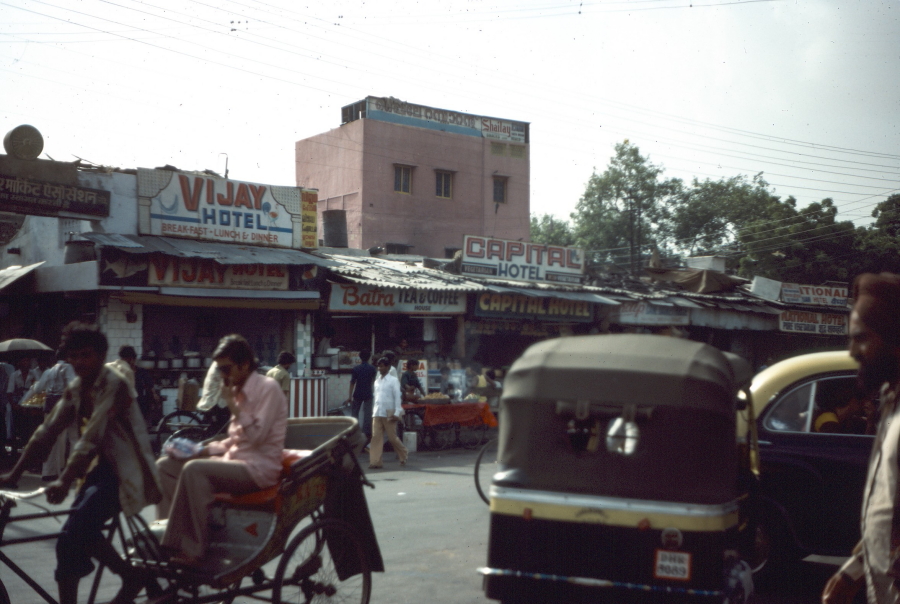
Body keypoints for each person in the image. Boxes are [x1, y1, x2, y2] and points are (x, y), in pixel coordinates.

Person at [0, 322, 162, 604]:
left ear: (100, 355)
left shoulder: (115, 383)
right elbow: (47, 431)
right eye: (73, 356)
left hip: (125, 472)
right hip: (98, 472)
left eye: (85, 355)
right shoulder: (76, 388)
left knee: (75, 532)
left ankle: (131, 576)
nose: (78, 362)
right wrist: (14, 473)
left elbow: (93, 436)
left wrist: (64, 479)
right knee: (67, 543)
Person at [156, 334, 287, 566]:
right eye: (220, 371)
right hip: (234, 461)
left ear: (244, 364)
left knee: (195, 471)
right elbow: (232, 441)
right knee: (165, 466)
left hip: (257, 469)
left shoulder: (268, 388)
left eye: (226, 369)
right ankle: (168, 539)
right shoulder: (238, 390)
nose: (223, 376)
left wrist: (234, 408)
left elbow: (257, 438)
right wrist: (199, 450)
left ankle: (191, 549)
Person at [822, 273, 900, 604]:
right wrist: (853, 571)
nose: (852, 351)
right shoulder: (891, 404)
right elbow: (888, 511)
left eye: (861, 339)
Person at [18, 351, 77, 481]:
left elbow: (37, 388)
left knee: (52, 440)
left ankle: (50, 471)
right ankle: (67, 470)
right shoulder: (68, 368)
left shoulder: (48, 372)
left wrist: (23, 401)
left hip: (50, 407)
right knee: (70, 439)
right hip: (65, 407)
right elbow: (74, 386)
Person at [368, 356, 408, 469]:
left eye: (382, 366)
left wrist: (397, 411)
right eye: (378, 366)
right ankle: (375, 462)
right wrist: (373, 411)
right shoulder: (377, 381)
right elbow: (376, 397)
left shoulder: (393, 380)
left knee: (392, 437)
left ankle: (403, 453)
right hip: (377, 412)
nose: (379, 368)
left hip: (389, 413)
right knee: (376, 437)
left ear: (388, 367)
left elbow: (397, 397)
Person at [347, 349, 376, 445]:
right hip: (368, 393)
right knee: (368, 415)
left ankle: (353, 433)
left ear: (360, 357)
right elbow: (373, 382)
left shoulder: (356, 369)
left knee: (355, 414)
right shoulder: (372, 369)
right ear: (369, 358)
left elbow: (352, 383)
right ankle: (366, 436)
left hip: (357, 393)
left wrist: (349, 396)